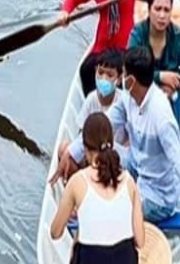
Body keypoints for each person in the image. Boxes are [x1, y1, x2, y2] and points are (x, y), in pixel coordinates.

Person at [69, 49, 180, 226]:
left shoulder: (161, 117)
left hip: (157, 198)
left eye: (124, 74)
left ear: (131, 81)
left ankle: (87, 208)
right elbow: (102, 126)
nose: (121, 80)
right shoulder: (128, 98)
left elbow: (179, 161)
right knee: (104, 149)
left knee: (112, 209)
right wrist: (72, 152)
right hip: (137, 168)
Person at [49, 110, 143, 264]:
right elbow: (140, 241)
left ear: (84, 148)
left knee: (78, 237)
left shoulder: (77, 182)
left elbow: (55, 233)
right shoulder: (129, 181)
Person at [53, 48, 130, 183]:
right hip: (91, 155)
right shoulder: (91, 99)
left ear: (119, 79)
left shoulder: (123, 102)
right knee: (64, 148)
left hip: (114, 159)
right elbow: (82, 133)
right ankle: (80, 184)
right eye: (100, 73)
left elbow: (129, 140)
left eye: (110, 75)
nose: (103, 79)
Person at [127, 0, 180, 125]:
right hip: (143, 94)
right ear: (149, 9)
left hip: (171, 95)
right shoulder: (138, 34)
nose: (162, 15)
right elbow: (129, 72)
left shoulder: (178, 35)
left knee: (177, 97)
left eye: (166, 10)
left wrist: (174, 81)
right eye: (157, 9)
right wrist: (160, 77)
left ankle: (174, 133)